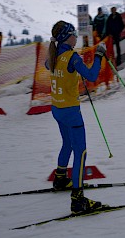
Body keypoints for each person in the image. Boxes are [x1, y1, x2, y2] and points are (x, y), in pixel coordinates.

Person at [46, 20, 107, 215]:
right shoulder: (71, 57)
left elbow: (54, 68)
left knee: (67, 144)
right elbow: (91, 75)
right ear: (67, 37)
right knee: (80, 151)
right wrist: (99, 55)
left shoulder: (53, 56)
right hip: (70, 111)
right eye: (73, 34)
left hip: (57, 108)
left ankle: (60, 178)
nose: (76, 37)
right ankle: (78, 200)